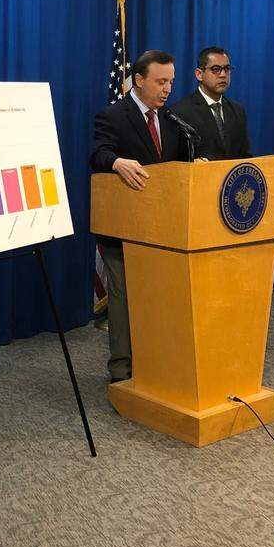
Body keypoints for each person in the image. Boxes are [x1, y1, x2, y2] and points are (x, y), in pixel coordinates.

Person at [91, 50, 193, 383]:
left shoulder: (172, 120)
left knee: (156, 297)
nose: (167, 89)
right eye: (161, 81)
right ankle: (121, 370)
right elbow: (98, 153)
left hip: (161, 229)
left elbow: (174, 167)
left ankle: (152, 360)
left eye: (171, 82)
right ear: (139, 80)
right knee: (122, 300)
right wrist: (116, 162)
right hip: (122, 228)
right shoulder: (113, 115)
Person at [170, 46, 252, 161]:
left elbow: (245, 157)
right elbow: (174, 160)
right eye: (215, 69)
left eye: (227, 69)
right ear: (199, 74)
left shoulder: (238, 111)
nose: (223, 75)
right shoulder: (180, 112)